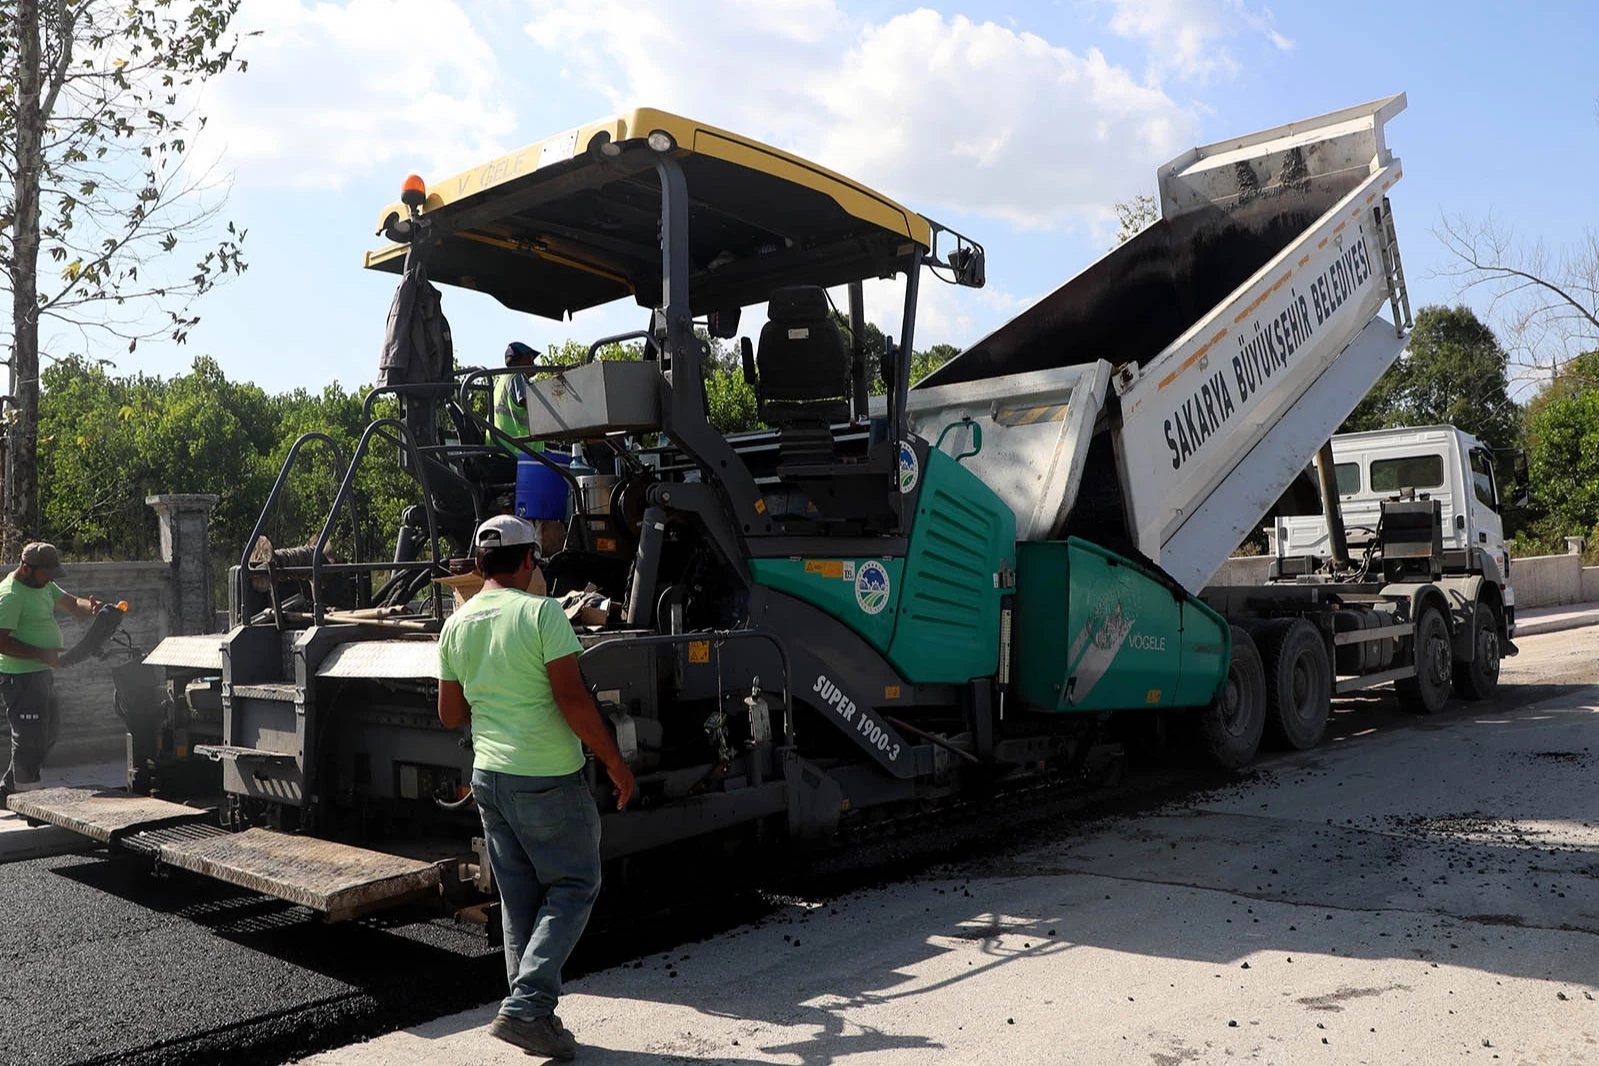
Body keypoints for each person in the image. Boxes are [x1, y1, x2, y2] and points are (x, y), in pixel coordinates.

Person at [436, 514, 634, 1060]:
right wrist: (615, 763)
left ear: (480, 565)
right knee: (575, 883)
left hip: (488, 779)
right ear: (528, 560)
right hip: (545, 777)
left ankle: (534, 1016)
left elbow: (450, 715)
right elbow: (573, 701)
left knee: (518, 900)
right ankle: (526, 1008)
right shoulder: (543, 613)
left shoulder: (456, 625)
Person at [0, 543, 103, 801]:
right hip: (20, 678)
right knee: (29, 740)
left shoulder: (43, 584)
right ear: (26, 569)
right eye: (47, 574)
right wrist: (41, 654)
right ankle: (28, 799)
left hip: (41, 673)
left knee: (48, 733)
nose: (50, 579)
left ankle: (9, 790)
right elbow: (2, 643)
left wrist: (90, 608)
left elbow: (72, 604)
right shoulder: (11, 596)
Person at [493, 341, 544, 456]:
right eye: (531, 359)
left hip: (502, 448)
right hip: (518, 451)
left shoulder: (502, 379)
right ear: (524, 359)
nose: (533, 364)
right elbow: (536, 410)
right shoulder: (518, 377)